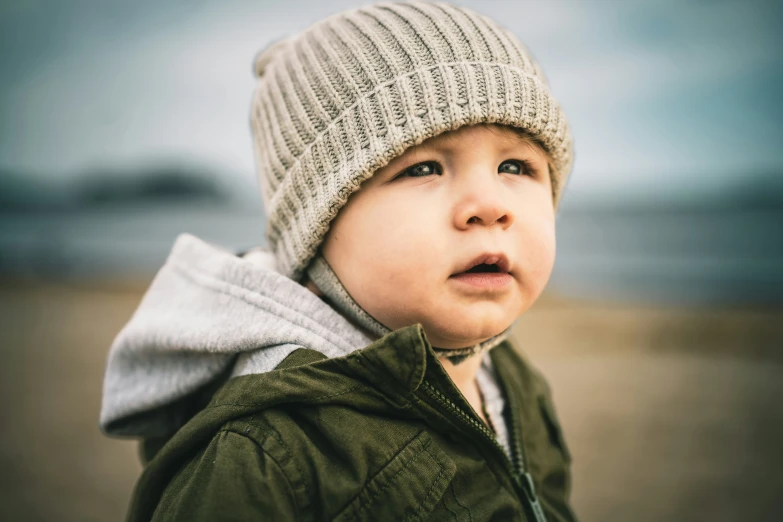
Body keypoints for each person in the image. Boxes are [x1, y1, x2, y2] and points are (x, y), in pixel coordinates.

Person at [100, 2, 577, 520]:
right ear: (317, 228)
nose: (490, 205)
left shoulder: (507, 377)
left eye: (516, 165)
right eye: (422, 168)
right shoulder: (268, 455)